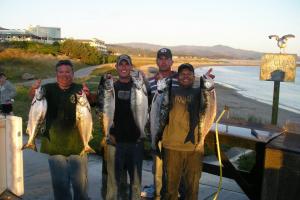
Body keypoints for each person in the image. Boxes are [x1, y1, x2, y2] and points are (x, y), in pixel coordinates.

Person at [29, 60, 91, 200]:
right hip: (54, 145)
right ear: (56, 74)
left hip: (78, 145)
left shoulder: (79, 88)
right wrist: (33, 89)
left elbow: (91, 102)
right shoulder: (47, 88)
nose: (64, 75)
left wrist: (89, 95)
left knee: (80, 186)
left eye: (68, 71)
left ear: (73, 73)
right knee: (60, 186)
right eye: (61, 72)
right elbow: (33, 98)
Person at [161, 63, 216, 200]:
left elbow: (209, 99)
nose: (186, 76)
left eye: (189, 74)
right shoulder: (170, 91)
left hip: (195, 149)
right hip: (171, 147)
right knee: (169, 190)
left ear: (194, 76)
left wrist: (208, 81)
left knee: (192, 190)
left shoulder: (200, 92)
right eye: (182, 74)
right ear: (178, 77)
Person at [101, 54, 146, 200]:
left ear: (131, 67)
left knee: (136, 184)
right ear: (116, 67)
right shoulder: (110, 88)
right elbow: (102, 108)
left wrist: (145, 81)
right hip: (115, 143)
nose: (124, 67)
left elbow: (157, 98)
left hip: (136, 143)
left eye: (127, 64)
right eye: (121, 64)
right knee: (113, 184)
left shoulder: (141, 87)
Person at [148, 48, 180, 200]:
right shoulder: (150, 82)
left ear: (172, 62)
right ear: (157, 61)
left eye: (166, 58)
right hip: (157, 132)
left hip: (175, 134)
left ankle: (173, 195)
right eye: (160, 58)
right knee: (158, 169)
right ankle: (158, 195)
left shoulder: (180, 79)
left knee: (174, 169)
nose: (163, 61)